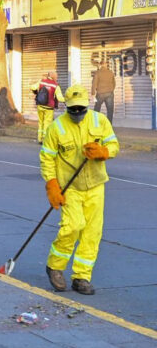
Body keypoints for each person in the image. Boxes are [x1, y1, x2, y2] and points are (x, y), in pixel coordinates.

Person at [40, 84, 118, 295]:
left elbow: (114, 146)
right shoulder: (57, 127)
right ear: (66, 106)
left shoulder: (99, 120)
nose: (77, 113)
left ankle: (81, 277)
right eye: (72, 109)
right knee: (73, 226)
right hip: (70, 187)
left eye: (80, 109)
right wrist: (51, 184)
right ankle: (55, 267)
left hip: (95, 185)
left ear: (87, 105)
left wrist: (103, 151)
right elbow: (47, 158)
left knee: (92, 233)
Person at [31, 71, 65, 143]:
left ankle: (39, 139)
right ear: (53, 77)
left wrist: (36, 92)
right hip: (49, 107)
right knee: (47, 123)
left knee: (40, 122)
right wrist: (67, 100)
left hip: (40, 105)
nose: (57, 78)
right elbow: (60, 98)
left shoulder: (41, 81)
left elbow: (33, 87)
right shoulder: (55, 85)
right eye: (56, 76)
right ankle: (44, 139)